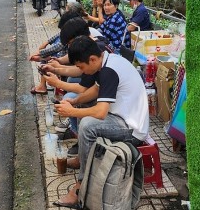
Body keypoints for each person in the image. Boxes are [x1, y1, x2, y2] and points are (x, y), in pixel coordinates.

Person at [51, 35, 149, 208]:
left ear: (93, 59)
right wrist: (74, 102)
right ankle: (83, 159)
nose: (82, 71)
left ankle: (81, 186)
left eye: (81, 67)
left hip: (131, 128)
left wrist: (72, 111)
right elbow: (96, 90)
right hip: (121, 117)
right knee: (82, 105)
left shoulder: (109, 70)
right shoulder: (108, 60)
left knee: (88, 125)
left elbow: (101, 112)